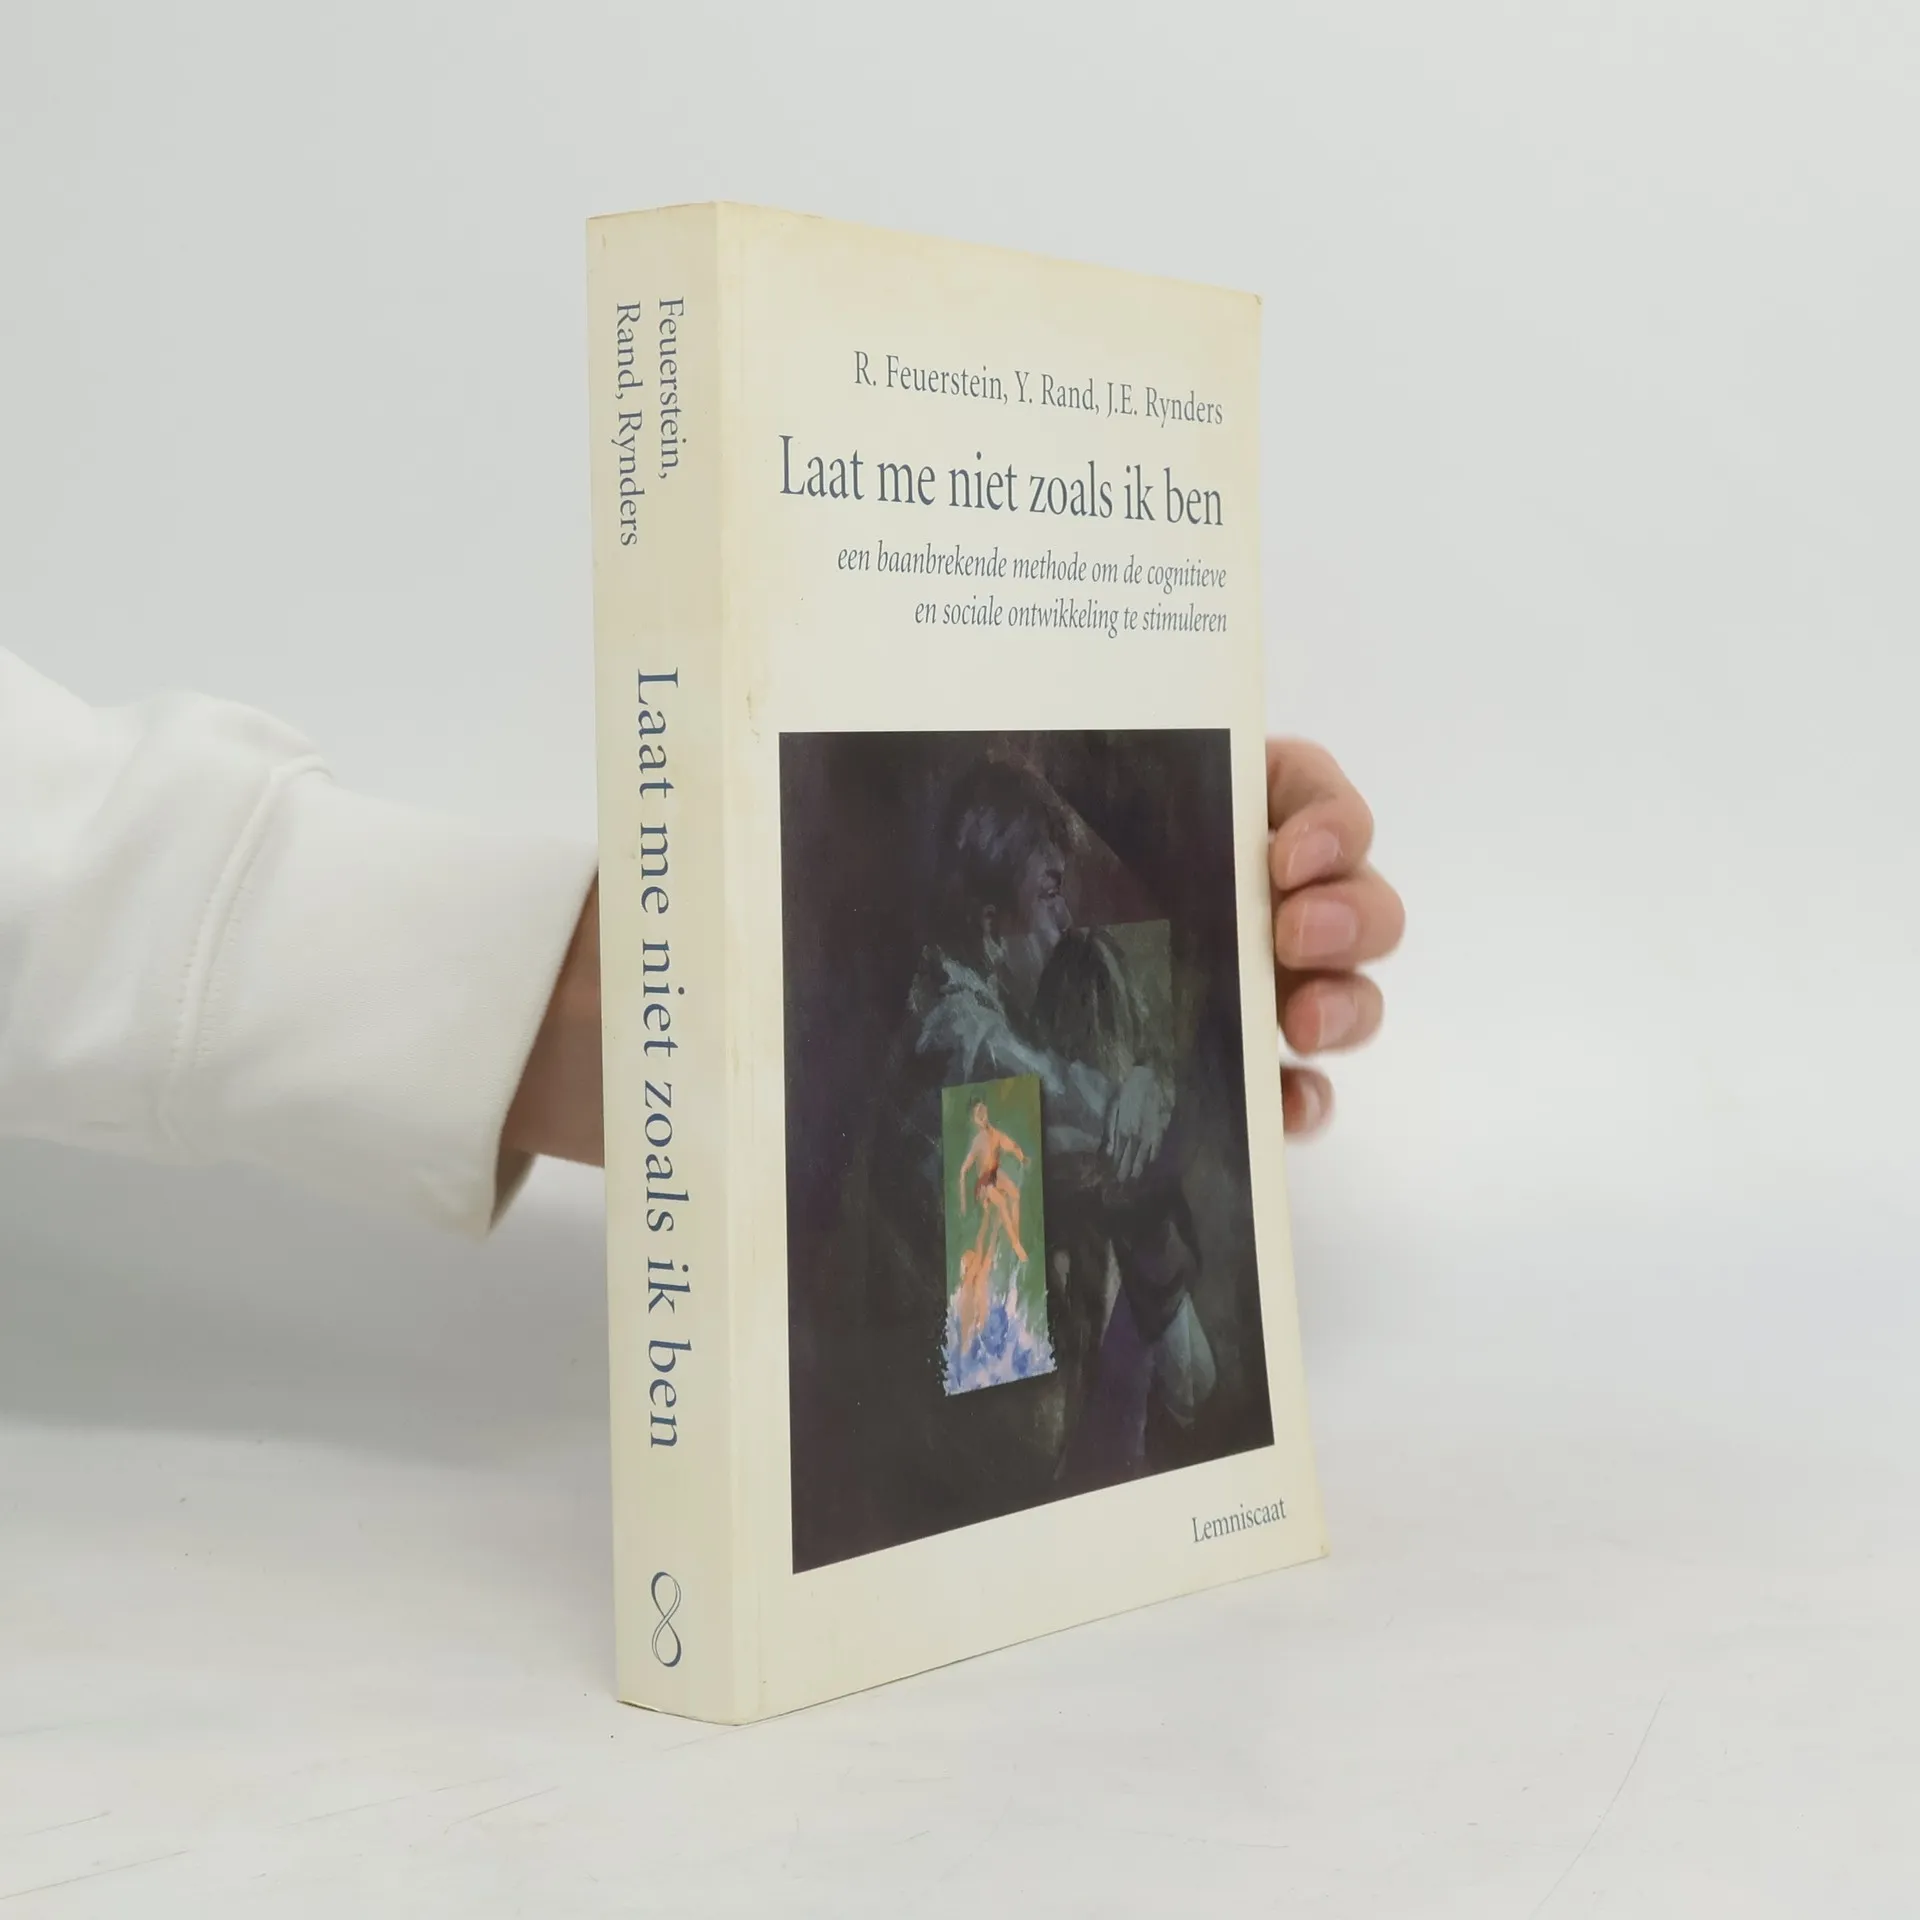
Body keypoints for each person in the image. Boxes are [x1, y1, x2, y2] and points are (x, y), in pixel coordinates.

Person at [0, 647, 1405, 1233]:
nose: (1065, 902)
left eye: (1066, 877)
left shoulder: (1041, 994)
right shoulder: (957, 1037)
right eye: (1046, 884)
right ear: (989, 907)